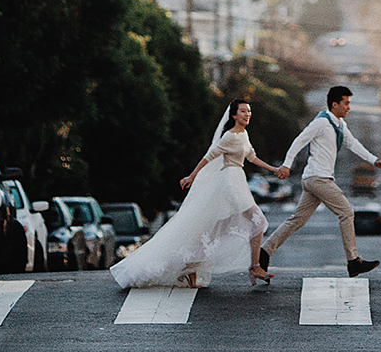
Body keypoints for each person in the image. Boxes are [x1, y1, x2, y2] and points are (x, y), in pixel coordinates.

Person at [111, 99, 280, 289]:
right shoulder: (229, 136)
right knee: (257, 221)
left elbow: (251, 157)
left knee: (218, 228)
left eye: (249, 111)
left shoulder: (243, 134)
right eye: (243, 111)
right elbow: (209, 156)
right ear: (234, 115)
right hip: (230, 182)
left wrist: (274, 169)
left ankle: (191, 266)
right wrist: (191, 177)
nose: (247, 114)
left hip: (237, 179)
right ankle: (254, 267)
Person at [260, 85, 381, 278]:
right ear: (334, 104)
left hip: (314, 179)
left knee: (297, 220)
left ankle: (264, 252)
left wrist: (373, 160)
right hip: (317, 178)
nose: (349, 107)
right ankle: (353, 261)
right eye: (346, 103)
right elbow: (299, 141)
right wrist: (287, 165)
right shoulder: (320, 122)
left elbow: (353, 144)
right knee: (346, 212)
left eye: (349, 103)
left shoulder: (339, 125)